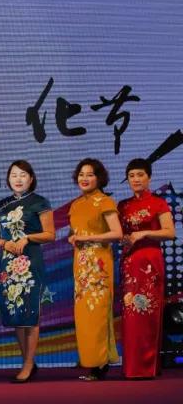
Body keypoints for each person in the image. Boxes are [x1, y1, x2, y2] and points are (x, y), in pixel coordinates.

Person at [0, 160, 54, 383]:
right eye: (14, 175)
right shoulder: (2, 205)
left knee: (30, 312)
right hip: (7, 263)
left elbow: (50, 234)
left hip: (30, 263)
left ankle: (28, 363)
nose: (18, 179)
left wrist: (27, 238)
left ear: (31, 179)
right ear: (8, 179)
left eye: (23, 175)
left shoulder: (40, 202)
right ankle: (27, 361)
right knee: (15, 313)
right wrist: (4, 243)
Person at [118, 158, 175, 379]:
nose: (136, 179)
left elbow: (169, 232)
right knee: (131, 315)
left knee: (148, 313)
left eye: (140, 175)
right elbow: (120, 234)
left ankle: (148, 367)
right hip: (129, 263)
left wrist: (143, 233)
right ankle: (132, 368)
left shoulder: (158, 203)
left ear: (149, 177)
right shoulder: (123, 205)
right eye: (131, 176)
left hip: (150, 263)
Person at [68, 158, 122, 381]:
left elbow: (117, 233)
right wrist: (75, 238)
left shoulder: (105, 201)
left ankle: (100, 364)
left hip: (99, 266)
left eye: (90, 174)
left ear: (99, 178)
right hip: (81, 265)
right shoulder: (76, 204)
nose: (84, 178)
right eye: (81, 174)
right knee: (83, 316)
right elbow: (77, 232)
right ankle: (91, 360)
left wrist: (87, 238)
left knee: (97, 314)